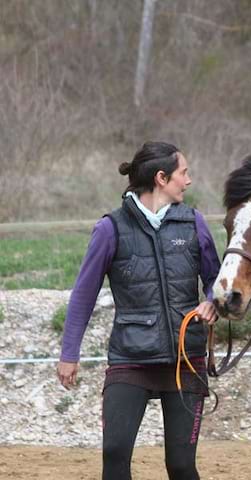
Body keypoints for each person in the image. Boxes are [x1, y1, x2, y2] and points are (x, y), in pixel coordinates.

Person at [56, 141, 221, 480]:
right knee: (115, 457)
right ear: (161, 178)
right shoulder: (110, 229)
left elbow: (217, 281)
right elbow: (83, 295)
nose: (188, 181)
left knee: (181, 466)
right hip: (130, 358)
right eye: (183, 173)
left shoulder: (194, 223)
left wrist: (211, 302)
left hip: (185, 359)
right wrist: (69, 353)